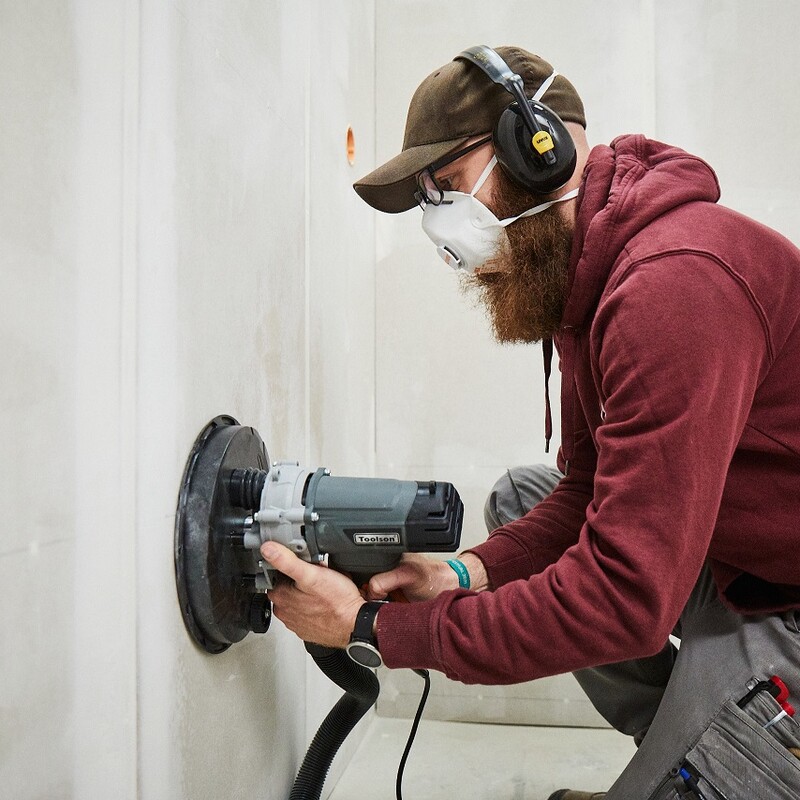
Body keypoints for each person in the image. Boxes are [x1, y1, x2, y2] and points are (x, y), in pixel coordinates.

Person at [261, 45, 800, 799]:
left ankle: (705, 763)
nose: (440, 223)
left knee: (614, 595)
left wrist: (373, 631)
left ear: (537, 146)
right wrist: (458, 574)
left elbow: (622, 597)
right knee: (521, 496)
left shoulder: (674, 288)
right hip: (742, 554)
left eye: (447, 186)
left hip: (785, 595)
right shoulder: (593, 278)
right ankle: (679, 743)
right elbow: (585, 493)